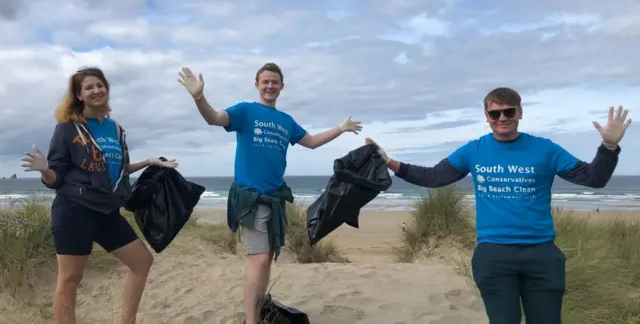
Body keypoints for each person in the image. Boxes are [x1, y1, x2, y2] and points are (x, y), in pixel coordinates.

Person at [365, 87, 631, 324]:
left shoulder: (546, 149)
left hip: (542, 255)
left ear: (520, 113)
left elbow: (594, 178)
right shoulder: (473, 150)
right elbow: (433, 177)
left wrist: (609, 145)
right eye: (495, 114)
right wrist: (389, 161)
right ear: (486, 116)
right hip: (494, 255)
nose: (502, 118)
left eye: (508, 111)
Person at [177, 62, 362, 324]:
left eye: (275, 82)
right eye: (265, 82)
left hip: (274, 198)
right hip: (250, 197)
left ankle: (260, 305)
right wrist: (199, 97)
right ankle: (251, 320)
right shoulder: (245, 111)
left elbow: (311, 142)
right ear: (257, 84)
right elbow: (215, 118)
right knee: (260, 259)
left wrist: (339, 129)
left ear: (281, 86)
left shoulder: (286, 121)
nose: (270, 86)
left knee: (267, 259)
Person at [21, 67, 179, 324]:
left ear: (106, 88)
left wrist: (150, 161)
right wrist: (45, 169)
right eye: (88, 87)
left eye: (100, 85)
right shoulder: (68, 129)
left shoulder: (116, 130)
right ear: (79, 95)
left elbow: (117, 170)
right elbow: (56, 179)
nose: (96, 91)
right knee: (70, 279)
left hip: (107, 211)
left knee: (142, 262)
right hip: (74, 211)